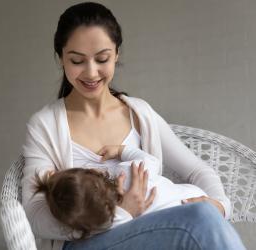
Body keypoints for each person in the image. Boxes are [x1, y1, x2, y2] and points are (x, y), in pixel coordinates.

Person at [22, 2, 246, 250]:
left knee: (205, 216)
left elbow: (198, 171)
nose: (91, 72)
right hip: (85, 244)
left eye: (102, 58)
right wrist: (118, 214)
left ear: (116, 54)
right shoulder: (45, 125)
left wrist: (220, 206)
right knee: (200, 220)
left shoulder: (140, 114)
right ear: (61, 58)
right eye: (77, 61)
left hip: (151, 235)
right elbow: (35, 214)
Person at [33, 145, 209, 240]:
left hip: (181, 223)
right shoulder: (127, 172)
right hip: (193, 198)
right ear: (95, 171)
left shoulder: (110, 224)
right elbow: (151, 161)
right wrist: (121, 150)